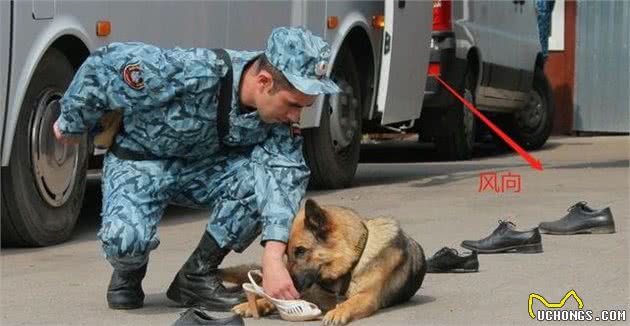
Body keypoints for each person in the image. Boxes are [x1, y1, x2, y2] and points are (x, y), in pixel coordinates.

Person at [53, 27, 340, 310]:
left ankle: (196, 275)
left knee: (261, 179)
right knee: (125, 241)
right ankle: (128, 271)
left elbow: (285, 175)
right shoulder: (193, 71)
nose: (296, 115)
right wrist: (71, 121)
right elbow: (103, 65)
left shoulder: (280, 122)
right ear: (264, 81)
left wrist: (274, 258)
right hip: (140, 163)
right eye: (292, 104)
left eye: (304, 106)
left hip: (202, 172)